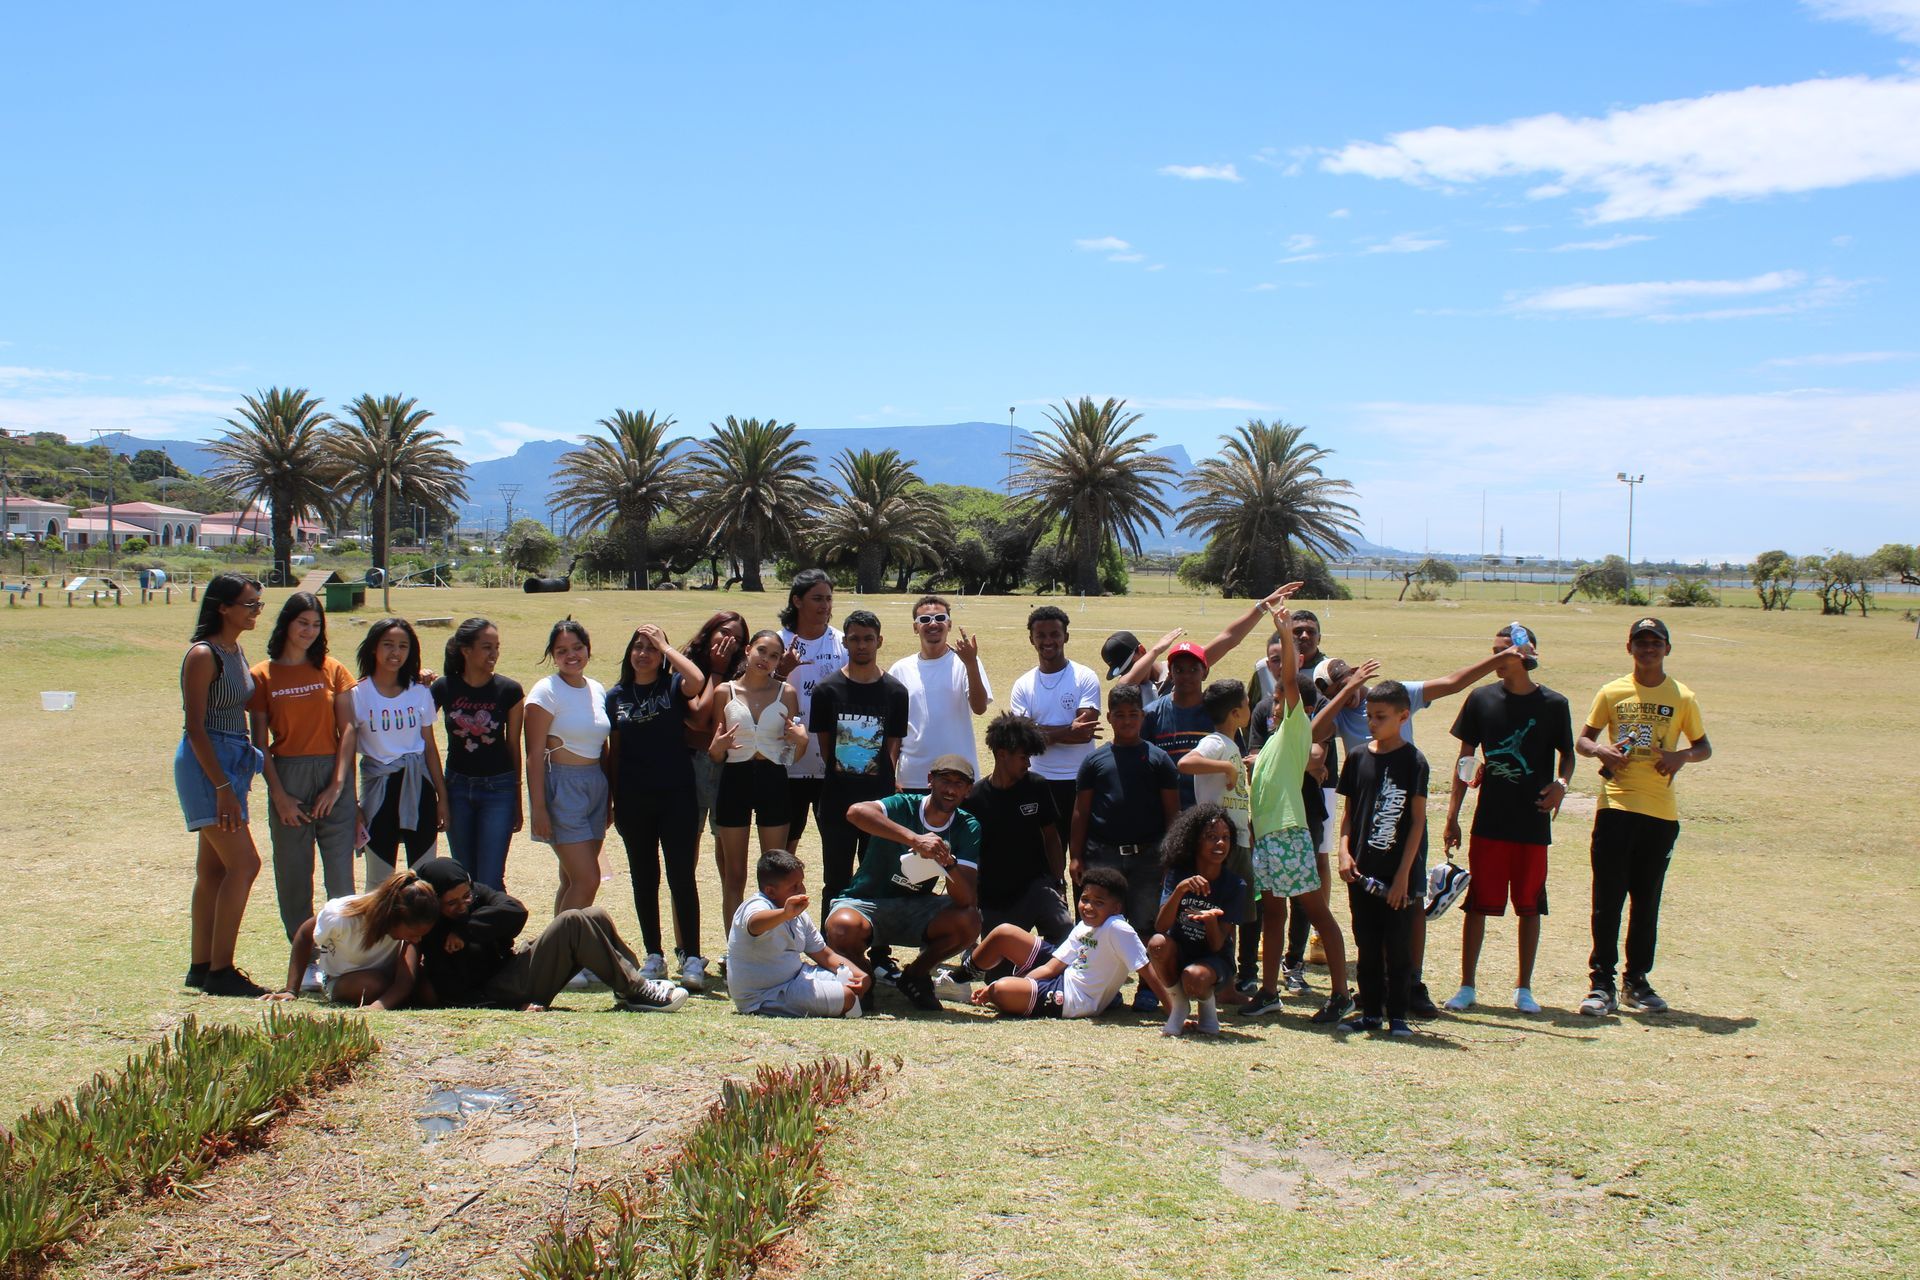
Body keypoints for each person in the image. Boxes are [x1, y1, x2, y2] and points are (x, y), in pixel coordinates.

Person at [1313, 641, 1516, 1019]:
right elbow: (1313, 733)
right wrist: (1342, 694)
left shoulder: (1394, 696)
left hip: (1405, 814)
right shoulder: (1340, 714)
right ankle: (1377, 985)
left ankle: (1412, 983)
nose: (1352, 691)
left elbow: (1452, 682)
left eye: (1349, 679)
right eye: (1337, 687)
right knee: (1371, 908)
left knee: (1411, 900)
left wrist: (1497, 660)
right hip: (1368, 821)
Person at [1573, 617, 1711, 1017]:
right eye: (1641, 642)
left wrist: (1680, 757)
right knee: (1608, 898)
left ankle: (1637, 982)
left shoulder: (1683, 697)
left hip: (1660, 813)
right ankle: (1601, 984)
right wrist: (1602, 751)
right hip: (1616, 807)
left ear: (1668, 649)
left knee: (1646, 900)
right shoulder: (1612, 691)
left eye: (1655, 643)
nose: (1648, 649)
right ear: (1629, 647)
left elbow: (1703, 747)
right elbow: (1583, 740)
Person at [1442, 624, 1573, 1015]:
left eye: (1505, 651)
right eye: (1494, 650)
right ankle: (1467, 986)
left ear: (1525, 654)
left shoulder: (1554, 704)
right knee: (1478, 904)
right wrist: (1452, 816)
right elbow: (1466, 761)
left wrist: (1561, 784)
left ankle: (1524, 988)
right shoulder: (1480, 699)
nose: (1497, 657)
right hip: (1490, 821)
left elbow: (1567, 754)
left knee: (1530, 906)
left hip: (1532, 821)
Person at [1242, 600, 1354, 1025]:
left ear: (1299, 708)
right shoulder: (1274, 741)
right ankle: (1269, 991)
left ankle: (1341, 995)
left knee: (1317, 911)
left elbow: (1289, 679)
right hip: (1268, 836)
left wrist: (1286, 633)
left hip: (1288, 834)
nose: (1274, 706)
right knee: (1273, 913)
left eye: (1279, 701)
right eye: (1274, 701)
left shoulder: (1294, 729)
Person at [407, 856, 688, 1012]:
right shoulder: (434, 930)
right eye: (452, 903)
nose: (462, 906)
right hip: (501, 990)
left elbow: (515, 911)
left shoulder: (472, 899)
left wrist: (465, 929)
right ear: (434, 901)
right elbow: (453, 994)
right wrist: (513, 1007)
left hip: (510, 968)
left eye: (466, 896)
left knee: (594, 915)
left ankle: (630, 986)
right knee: (571, 921)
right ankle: (638, 990)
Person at [248, 592, 358, 977]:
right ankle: (307, 962)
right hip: (288, 775)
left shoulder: (332, 669)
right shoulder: (262, 675)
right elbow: (259, 743)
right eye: (302, 623)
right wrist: (279, 795)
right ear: (286, 624)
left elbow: (348, 729)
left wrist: (337, 785)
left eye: (316, 625)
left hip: (333, 774)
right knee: (293, 873)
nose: (309, 631)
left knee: (340, 875)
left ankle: (341, 959)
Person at [826, 754, 983, 1011]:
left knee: (969, 920)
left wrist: (948, 864)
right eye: (945, 780)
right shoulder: (904, 805)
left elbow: (966, 899)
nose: (951, 789)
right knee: (841, 928)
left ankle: (915, 976)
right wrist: (915, 840)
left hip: (917, 907)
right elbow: (855, 813)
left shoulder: (968, 825)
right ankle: (865, 978)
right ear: (930, 780)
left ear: (968, 790)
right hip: (867, 902)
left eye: (959, 783)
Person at [176, 572, 269, 997]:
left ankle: (201, 966)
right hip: (208, 764)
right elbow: (195, 728)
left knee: (213, 869)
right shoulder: (203, 654)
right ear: (223, 608)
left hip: (232, 759)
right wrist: (221, 787)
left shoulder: (235, 650)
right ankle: (221, 971)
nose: (256, 612)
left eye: (258, 604)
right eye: (249, 604)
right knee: (245, 864)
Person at [607, 623, 712, 990]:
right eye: (638, 647)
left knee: (681, 875)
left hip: (677, 796)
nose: (643, 654)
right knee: (644, 876)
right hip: (634, 799)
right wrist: (614, 799)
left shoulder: (672, 686)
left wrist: (667, 648)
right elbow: (614, 752)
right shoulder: (616, 696)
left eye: (650, 648)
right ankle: (654, 954)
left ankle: (692, 957)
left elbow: (697, 679)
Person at [1335, 680, 1430, 1037]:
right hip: (1362, 871)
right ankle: (1372, 1013)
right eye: (1369, 716)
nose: (1372, 723)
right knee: (1367, 945)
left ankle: (1399, 1016)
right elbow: (1349, 813)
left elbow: (1417, 821)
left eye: (1381, 716)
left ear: (1403, 716)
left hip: (1397, 874)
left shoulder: (1414, 762)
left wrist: (1404, 876)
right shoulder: (1358, 757)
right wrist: (1344, 851)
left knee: (1399, 947)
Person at [1070, 682, 1181, 972]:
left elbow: (1172, 814)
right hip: (1103, 855)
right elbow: (1081, 812)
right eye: (1119, 715)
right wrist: (1076, 856)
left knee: (1147, 924)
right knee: (1098, 924)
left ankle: (1148, 988)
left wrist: (1170, 857)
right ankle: (1099, 984)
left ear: (1143, 716)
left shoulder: (1159, 760)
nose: (1127, 721)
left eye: (1133, 714)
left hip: (1149, 858)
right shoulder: (1094, 761)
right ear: (1109, 718)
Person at [708, 629, 810, 940]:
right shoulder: (724, 692)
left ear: (780, 661)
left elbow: (791, 755)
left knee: (776, 873)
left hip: (773, 780)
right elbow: (715, 753)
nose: (766, 659)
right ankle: (735, 946)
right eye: (762, 651)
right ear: (748, 650)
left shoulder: (786, 693)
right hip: (734, 780)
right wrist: (717, 747)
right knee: (734, 874)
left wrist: (802, 741)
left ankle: (774, 944)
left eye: (774, 656)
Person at [967, 866, 1172, 1018]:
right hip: (1064, 978)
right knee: (1004, 934)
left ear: (1116, 908)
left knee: (1001, 990)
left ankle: (1002, 989)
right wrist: (1022, 983)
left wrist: (1174, 1013)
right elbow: (1051, 968)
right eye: (1085, 899)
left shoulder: (1117, 928)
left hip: (1077, 1000)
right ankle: (960, 978)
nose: (1088, 907)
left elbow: (1148, 972)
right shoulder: (1084, 926)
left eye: (1099, 903)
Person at [807, 609, 909, 906]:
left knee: (876, 876)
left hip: (878, 801)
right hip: (836, 799)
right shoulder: (827, 690)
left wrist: (885, 779)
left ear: (879, 641)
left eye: (868, 639)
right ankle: (831, 934)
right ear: (845, 643)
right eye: (854, 639)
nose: (861, 645)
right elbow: (825, 745)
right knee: (835, 879)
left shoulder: (896, 691)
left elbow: (894, 743)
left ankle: (874, 936)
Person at [962, 713, 1073, 961]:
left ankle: (1046, 975)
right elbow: (968, 854)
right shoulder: (974, 799)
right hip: (995, 895)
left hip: (1037, 886)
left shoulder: (1037, 786)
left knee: (1065, 931)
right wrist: (973, 901)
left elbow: (1052, 838)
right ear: (1002, 754)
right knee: (997, 969)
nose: (1028, 764)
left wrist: (1058, 883)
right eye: (1023, 757)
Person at [1176, 676, 1259, 1005]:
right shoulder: (1217, 743)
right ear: (1236, 712)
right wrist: (1227, 766)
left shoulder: (1232, 744)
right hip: (1222, 844)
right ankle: (1223, 986)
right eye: (1247, 704)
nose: (1251, 708)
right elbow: (1186, 763)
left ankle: (1227, 982)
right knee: (1225, 915)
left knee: (1234, 914)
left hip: (1238, 839)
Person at [352, 618, 450, 886]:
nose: (395, 652)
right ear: (373, 647)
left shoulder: (419, 691)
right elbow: (347, 755)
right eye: (388, 644)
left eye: (403, 646)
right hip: (378, 790)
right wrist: (353, 804)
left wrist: (442, 797)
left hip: (419, 786)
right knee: (379, 881)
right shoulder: (357, 694)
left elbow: (430, 747)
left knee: (424, 878)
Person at [524, 619, 611, 914]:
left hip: (595, 786)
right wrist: (538, 808)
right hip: (562, 787)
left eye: (577, 647)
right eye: (561, 651)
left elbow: (603, 747)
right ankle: (562, 943)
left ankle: (563, 941)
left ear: (588, 649)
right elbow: (534, 754)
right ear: (552, 655)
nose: (571, 655)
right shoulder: (546, 691)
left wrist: (608, 799)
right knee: (587, 880)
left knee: (572, 880)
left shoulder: (597, 689)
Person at [431, 617, 523, 891]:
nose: (494, 653)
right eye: (486, 647)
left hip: (499, 789)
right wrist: (441, 797)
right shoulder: (443, 688)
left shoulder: (510, 690)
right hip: (456, 787)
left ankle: (494, 921)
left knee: (490, 879)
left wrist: (517, 799)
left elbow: (513, 745)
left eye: (497, 647)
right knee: (464, 878)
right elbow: (420, 730)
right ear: (466, 650)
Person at [263, 868, 441, 1009]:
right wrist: (291, 990)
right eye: (414, 934)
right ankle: (394, 998)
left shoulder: (408, 932)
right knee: (374, 985)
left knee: (430, 993)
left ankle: (395, 997)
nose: (418, 939)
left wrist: (378, 1007)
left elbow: (405, 980)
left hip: (390, 976)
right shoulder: (341, 916)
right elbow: (304, 934)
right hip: (344, 979)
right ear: (392, 916)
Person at [727, 848, 871, 1017]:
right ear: (770, 891)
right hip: (765, 994)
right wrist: (784, 914)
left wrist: (859, 974)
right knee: (847, 996)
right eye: (794, 886)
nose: (802, 890)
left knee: (852, 984)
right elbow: (754, 924)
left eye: (801, 883)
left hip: (797, 977)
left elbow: (826, 955)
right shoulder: (756, 905)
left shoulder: (798, 914)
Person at [1148, 805, 1247, 1037]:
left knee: (1194, 976)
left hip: (1214, 960)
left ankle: (1207, 1008)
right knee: (1157, 944)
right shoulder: (1177, 874)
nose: (1220, 843)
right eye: (1211, 837)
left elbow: (1217, 945)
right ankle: (1180, 1006)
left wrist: (1210, 921)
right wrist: (1180, 890)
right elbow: (1161, 926)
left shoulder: (1235, 885)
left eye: (1225, 837)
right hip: (1181, 950)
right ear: (1194, 841)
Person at [682, 610, 750, 939]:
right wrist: (717, 671)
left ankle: (733, 944)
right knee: (685, 862)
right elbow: (698, 719)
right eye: (724, 632)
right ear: (709, 632)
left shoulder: (742, 673)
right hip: (689, 766)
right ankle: (687, 947)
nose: (729, 641)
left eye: (737, 638)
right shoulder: (687, 665)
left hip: (728, 769)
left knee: (730, 866)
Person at [774, 569, 847, 855]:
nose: (825, 605)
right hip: (786, 762)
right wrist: (781, 671)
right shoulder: (777, 642)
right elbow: (756, 693)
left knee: (837, 843)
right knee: (784, 845)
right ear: (797, 600)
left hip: (832, 762)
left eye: (829, 598)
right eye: (817, 598)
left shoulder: (843, 643)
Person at [887, 594, 991, 791]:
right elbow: (893, 730)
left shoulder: (966, 662)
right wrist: (888, 772)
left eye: (940, 618)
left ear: (949, 625)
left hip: (957, 777)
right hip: (912, 778)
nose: (933, 624)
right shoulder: (900, 669)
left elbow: (979, 708)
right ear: (915, 627)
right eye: (925, 619)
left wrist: (971, 664)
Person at [1008, 605, 1102, 821]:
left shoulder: (1085, 677)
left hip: (1081, 778)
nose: (1048, 641)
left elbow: (1084, 733)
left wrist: (1036, 731)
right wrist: (1068, 730)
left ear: (1066, 637)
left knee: (1080, 841)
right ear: (1031, 639)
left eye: (1054, 634)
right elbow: (1022, 739)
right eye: (1040, 635)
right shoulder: (1022, 684)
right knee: (1044, 842)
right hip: (1037, 778)